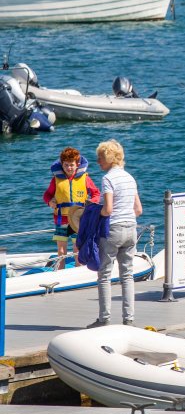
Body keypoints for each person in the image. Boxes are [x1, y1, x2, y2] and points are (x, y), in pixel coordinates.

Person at [88, 140, 142, 328]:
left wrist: (94, 213)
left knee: (104, 274)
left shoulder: (108, 179)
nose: (98, 161)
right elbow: (138, 209)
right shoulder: (130, 178)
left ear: (110, 158)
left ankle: (104, 319)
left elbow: (108, 209)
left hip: (114, 229)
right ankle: (129, 319)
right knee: (127, 274)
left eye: (100, 158)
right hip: (131, 228)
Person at [43, 147, 101, 270]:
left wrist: (92, 202)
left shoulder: (85, 178)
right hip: (61, 219)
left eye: (71, 165)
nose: (69, 168)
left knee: (77, 248)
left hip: (78, 219)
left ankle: (78, 271)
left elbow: (96, 193)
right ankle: (60, 272)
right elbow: (47, 195)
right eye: (66, 165)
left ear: (77, 164)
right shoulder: (56, 180)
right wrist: (50, 202)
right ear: (62, 164)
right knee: (61, 250)